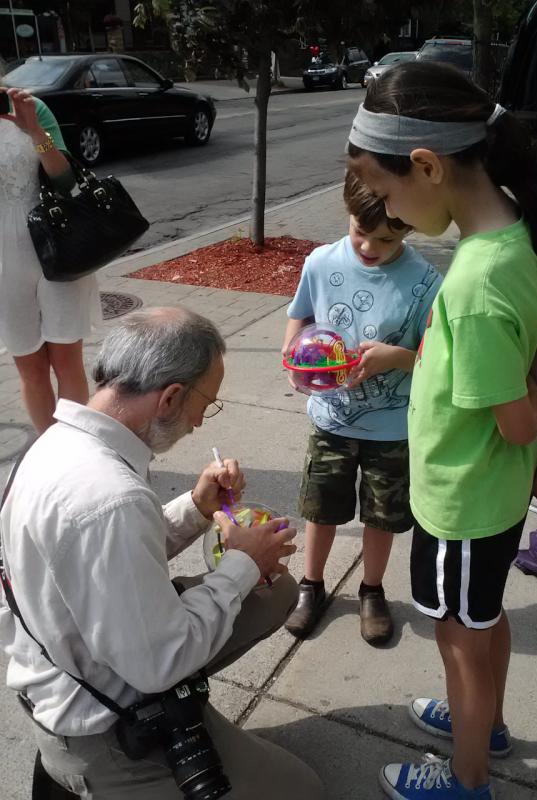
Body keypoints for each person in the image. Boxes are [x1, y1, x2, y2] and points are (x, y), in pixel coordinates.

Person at [347, 62, 537, 799]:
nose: (391, 212)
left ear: (427, 166)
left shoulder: (474, 286)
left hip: (462, 503)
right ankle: (486, 723)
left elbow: (511, 417)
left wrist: (536, 434)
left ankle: (467, 778)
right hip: (489, 499)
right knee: (482, 622)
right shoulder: (512, 228)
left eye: (386, 193)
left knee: (458, 638)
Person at [0, 307, 325, 800]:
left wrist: (196, 508)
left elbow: (115, 557)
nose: (199, 422)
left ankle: (175, 720)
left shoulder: (57, 446)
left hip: (80, 663)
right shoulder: (110, 497)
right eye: (206, 404)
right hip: (103, 728)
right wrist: (242, 563)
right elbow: (158, 660)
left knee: (275, 591)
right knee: (304, 791)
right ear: (171, 397)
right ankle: (91, 781)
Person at [282, 171, 441, 645]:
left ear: (408, 227)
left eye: (386, 238)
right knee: (322, 507)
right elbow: (300, 315)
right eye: (360, 232)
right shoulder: (321, 261)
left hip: (392, 427)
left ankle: (371, 589)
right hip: (331, 416)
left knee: (382, 515)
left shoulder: (426, 281)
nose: (370, 246)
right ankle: (311, 584)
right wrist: (293, 358)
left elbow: (438, 358)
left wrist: (399, 358)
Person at [0, 86, 100, 435]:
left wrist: (35, 133)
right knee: (29, 365)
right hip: (2, 261)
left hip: (57, 243)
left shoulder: (31, 107)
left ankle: (77, 448)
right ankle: (50, 454)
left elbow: (65, 179)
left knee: (66, 359)